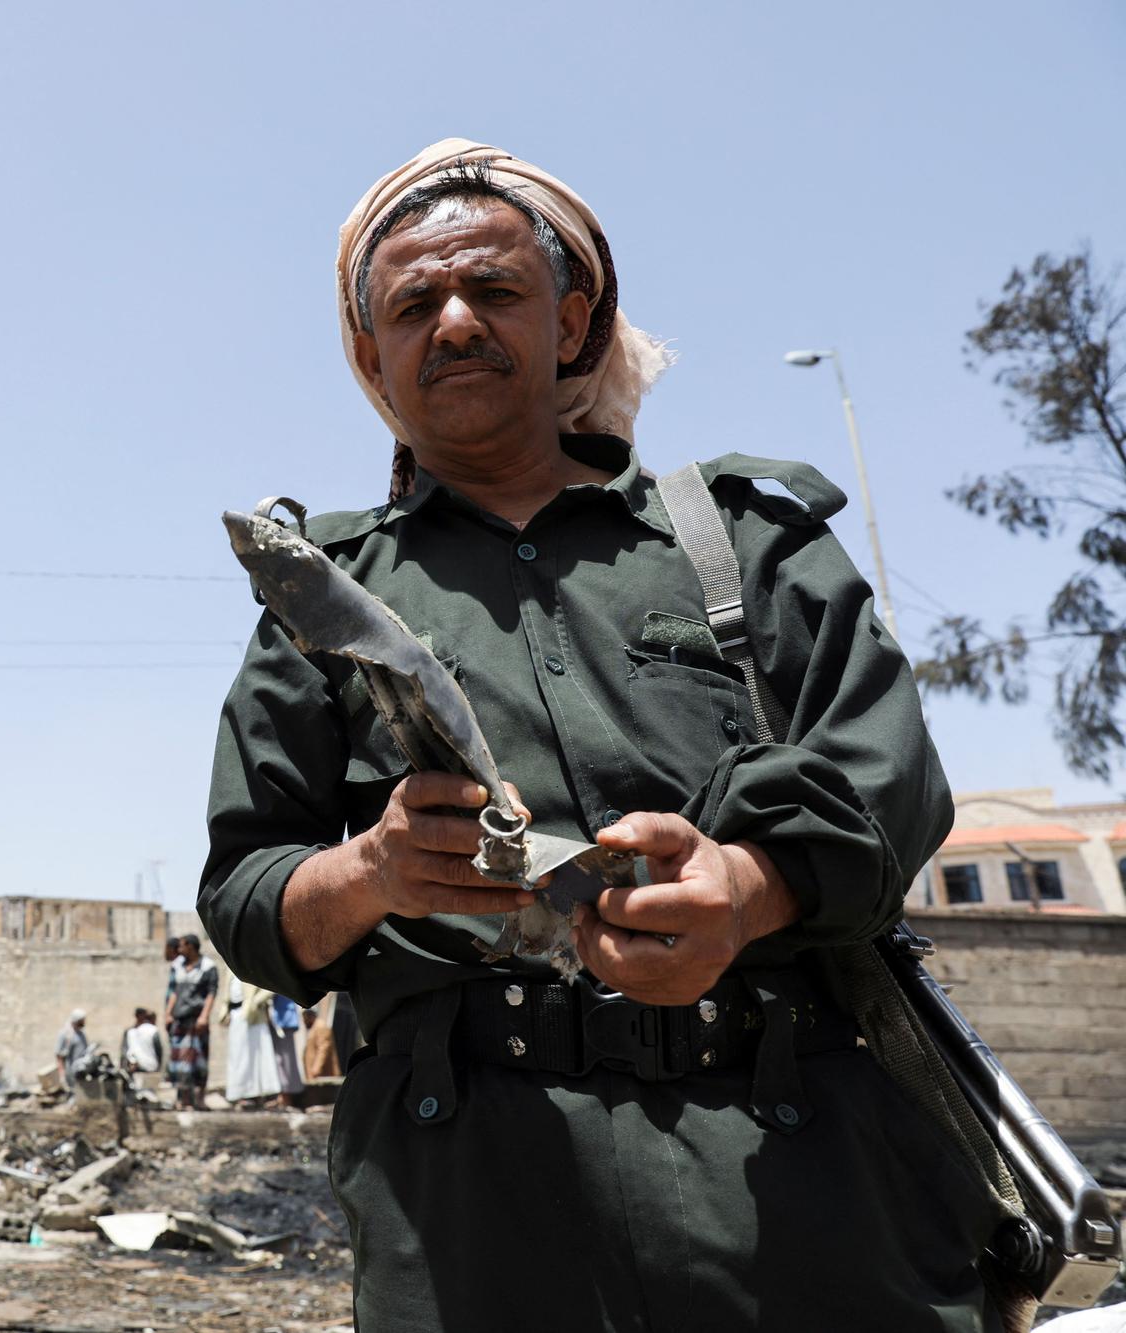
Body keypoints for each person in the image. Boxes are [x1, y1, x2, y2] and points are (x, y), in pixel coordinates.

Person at [200, 138, 996, 1329]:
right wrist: (365, 873)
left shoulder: (738, 542)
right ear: (372, 355)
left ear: (571, 321)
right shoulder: (322, 598)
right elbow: (246, 891)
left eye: (495, 289)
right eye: (413, 303)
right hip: (472, 1218)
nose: (455, 320)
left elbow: (893, 781)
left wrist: (746, 886)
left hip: (806, 1193)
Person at [163, 935, 217, 1109]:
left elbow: (211, 993)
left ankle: (199, 1099)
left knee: (199, 1061)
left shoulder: (208, 967)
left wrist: (204, 1016)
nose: (178, 950)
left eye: (182, 946)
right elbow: (174, 992)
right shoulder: (178, 966)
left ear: (191, 947)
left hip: (196, 1020)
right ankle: (182, 1099)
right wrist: (168, 1013)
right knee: (180, 1062)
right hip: (180, 1019)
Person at [221, 979, 286, 1109]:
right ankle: (240, 1093)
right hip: (236, 1014)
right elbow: (227, 992)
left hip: (253, 1015)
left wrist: (254, 1002)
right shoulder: (230, 966)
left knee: (257, 1054)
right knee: (238, 1055)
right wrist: (225, 1010)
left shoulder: (254, 962)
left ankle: (256, 1094)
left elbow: (272, 986)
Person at [122, 1007, 165, 1087]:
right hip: (150, 1066)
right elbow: (159, 1051)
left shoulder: (130, 1031)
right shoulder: (153, 1030)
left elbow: (125, 1052)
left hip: (134, 1066)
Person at [300, 999, 342, 1082]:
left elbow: (323, 1049)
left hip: (324, 1077)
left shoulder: (320, 1027)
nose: (303, 1020)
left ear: (310, 1015)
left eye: (304, 1017)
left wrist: (316, 1070)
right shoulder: (314, 1028)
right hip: (316, 1077)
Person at [55, 1009, 92, 1087]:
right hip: (71, 1073)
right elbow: (59, 1056)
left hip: (82, 1071)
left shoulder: (81, 1034)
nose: (84, 1022)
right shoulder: (65, 1034)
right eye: (82, 1021)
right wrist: (62, 1075)